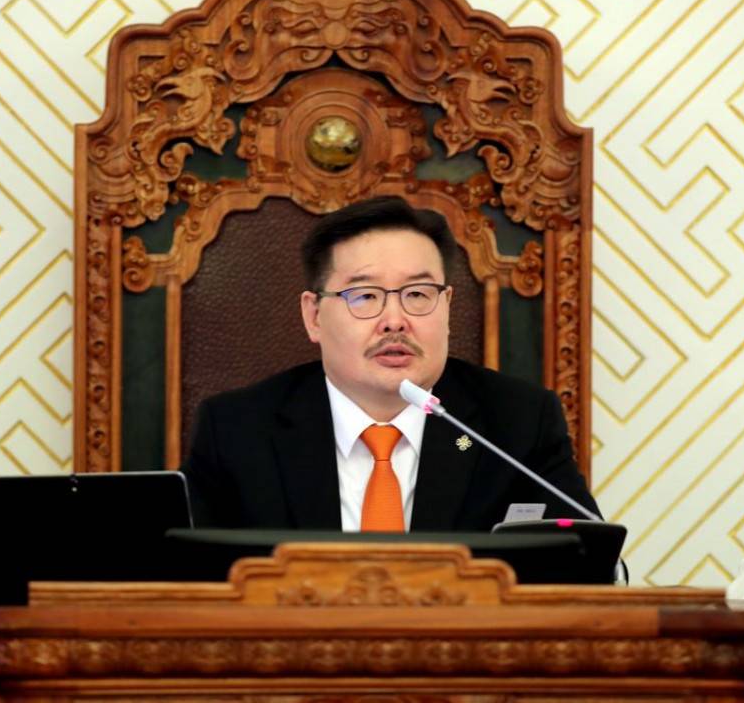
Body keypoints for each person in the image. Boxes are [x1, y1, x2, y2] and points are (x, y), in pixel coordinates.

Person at [182, 196, 600, 531]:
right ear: (314, 316)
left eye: (417, 294)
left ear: (447, 307)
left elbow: (586, 565)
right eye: (365, 296)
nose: (395, 321)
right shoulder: (237, 431)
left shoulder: (517, 425)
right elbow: (185, 580)